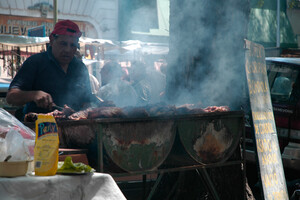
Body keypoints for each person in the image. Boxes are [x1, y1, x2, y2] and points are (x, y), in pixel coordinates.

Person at [6, 20, 95, 118]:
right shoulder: (35, 62)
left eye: (72, 45)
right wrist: (34, 95)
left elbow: (87, 102)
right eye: (63, 43)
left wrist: (84, 111)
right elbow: (11, 97)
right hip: (39, 128)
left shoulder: (80, 67)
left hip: (74, 127)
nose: (68, 50)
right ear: (52, 40)